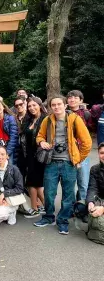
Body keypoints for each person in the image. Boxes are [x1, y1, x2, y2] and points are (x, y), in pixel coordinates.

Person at [34, 94, 92, 235]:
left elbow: (87, 142)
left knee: (68, 194)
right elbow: (39, 136)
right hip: (51, 162)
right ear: (51, 107)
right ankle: (49, 217)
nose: (56, 107)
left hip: (68, 163)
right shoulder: (47, 120)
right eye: (53, 105)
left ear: (65, 105)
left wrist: (78, 159)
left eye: (59, 104)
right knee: (49, 192)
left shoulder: (74, 119)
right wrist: (41, 142)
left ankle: (63, 220)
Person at [20, 97, 47, 218]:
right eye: (30, 106)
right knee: (32, 182)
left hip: (40, 155)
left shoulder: (45, 120)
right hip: (29, 155)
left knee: (36, 183)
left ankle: (42, 208)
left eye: (34, 105)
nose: (32, 108)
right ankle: (40, 208)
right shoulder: (29, 120)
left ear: (40, 106)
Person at [0, 146, 24, 227]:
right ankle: (4, 214)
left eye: (2, 154)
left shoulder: (14, 169)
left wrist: (4, 195)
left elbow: (19, 188)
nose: (0, 156)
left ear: (7, 156)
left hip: (11, 199)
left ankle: (11, 212)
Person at [67, 90, 94, 201]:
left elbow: (91, 129)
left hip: (82, 152)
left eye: (75, 97)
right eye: (70, 97)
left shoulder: (86, 114)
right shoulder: (63, 113)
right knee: (69, 183)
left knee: (83, 182)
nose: (72, 100)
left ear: (81, 100)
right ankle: (71, 207)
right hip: (68, 152)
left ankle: (82, 206)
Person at [86, 142, 104, 218]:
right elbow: (92, 188)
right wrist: (90, 202)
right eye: (102, 153)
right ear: (98, 154)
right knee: (81, 206)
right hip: (101, 199)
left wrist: (103, 208)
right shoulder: (94, 169)